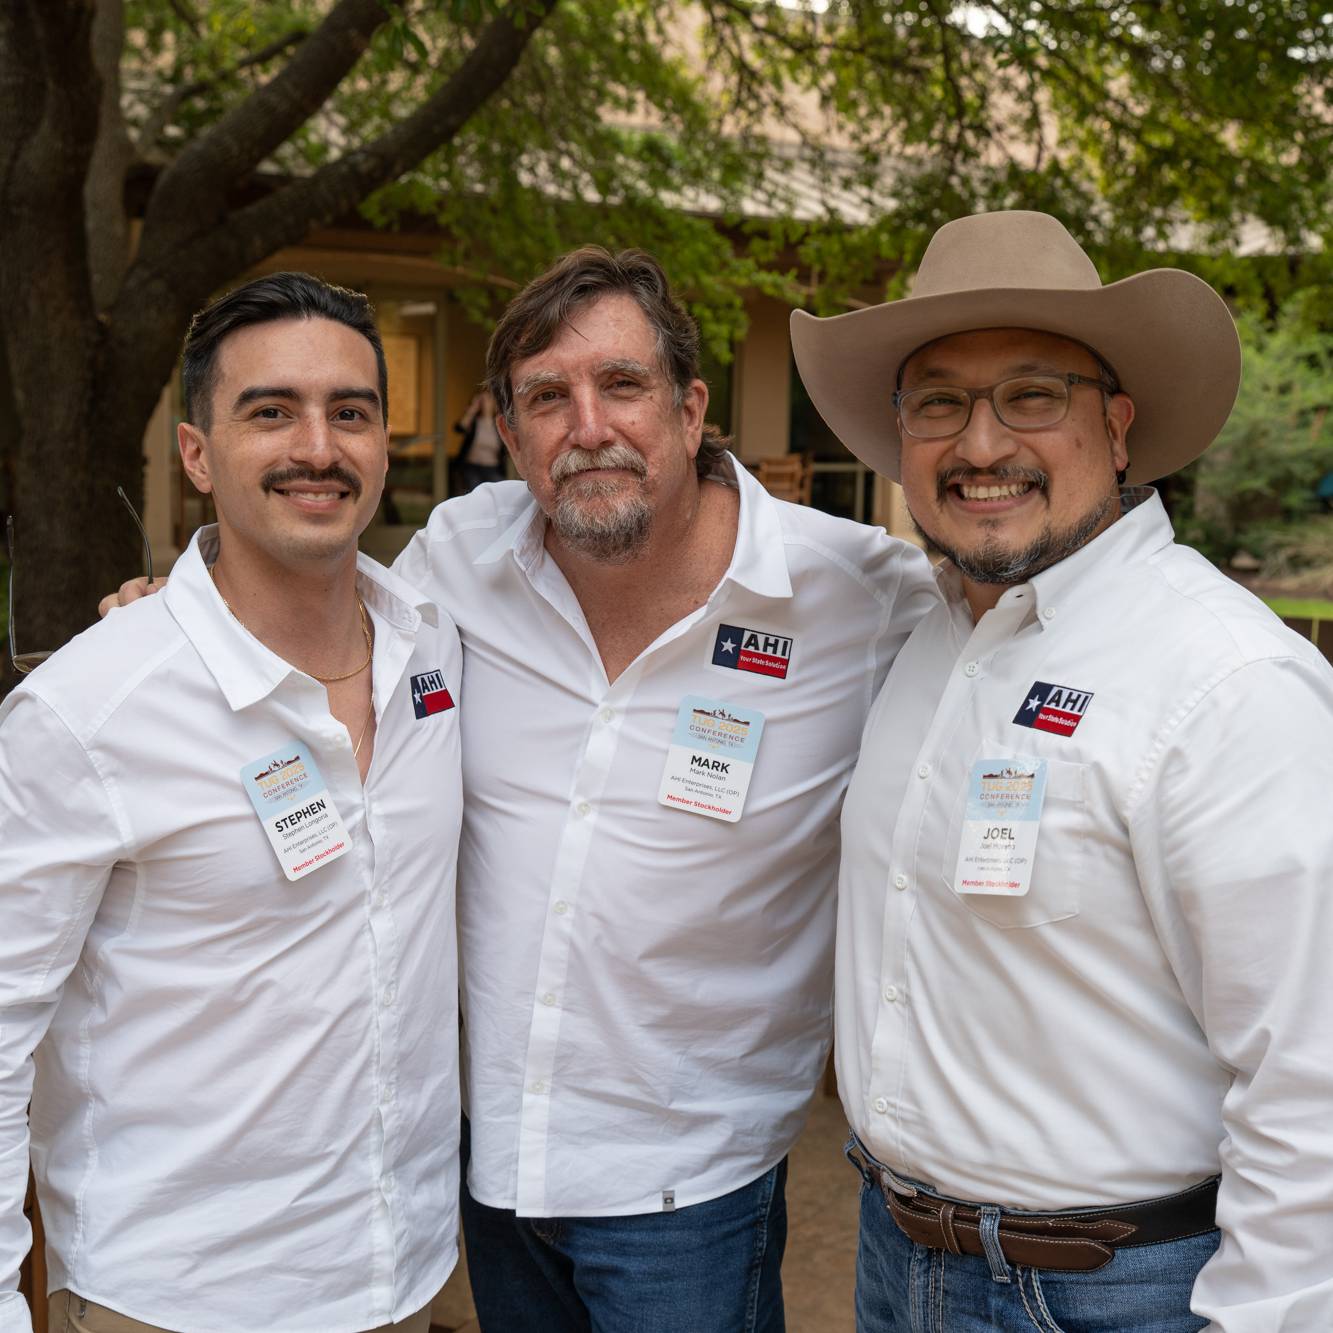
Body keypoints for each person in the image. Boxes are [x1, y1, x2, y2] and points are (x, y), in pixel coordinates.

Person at [105, 247, 939, 1330]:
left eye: (622, 386)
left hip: (690, 1183)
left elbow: (1020, 651)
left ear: (691, 410)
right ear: (506, 428)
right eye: (547, 398)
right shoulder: (458, 556)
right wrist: (174, 621)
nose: (587, 426)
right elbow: (311, 623)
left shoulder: (858, 596)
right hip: (489, 1160)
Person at [790, 209, 1333, 1331]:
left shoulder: (1226, 683)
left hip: (1118, 1295)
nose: (981, 445)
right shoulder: (927, 639)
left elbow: (1310, 1084)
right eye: (939, 402)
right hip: (899, 1265)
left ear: (1118, 425)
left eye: (1032, 397)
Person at [0, 273, 464, 1333]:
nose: (318, 445)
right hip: (180, 1297)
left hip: (402, 1278)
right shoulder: (89, 710)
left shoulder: (432, 652)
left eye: (349, 411)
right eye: (271, 411)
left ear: (383, 444)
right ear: (196, 452)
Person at [452, 388, 506, 492]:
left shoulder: (499, 423)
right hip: (471, 467)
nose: (486, 402)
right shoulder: (473, 422)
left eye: (489, 399)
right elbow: (459, 428)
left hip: (492, 467)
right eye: (483, 400)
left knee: (498, 491)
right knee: (475, 491)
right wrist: (473, 408)